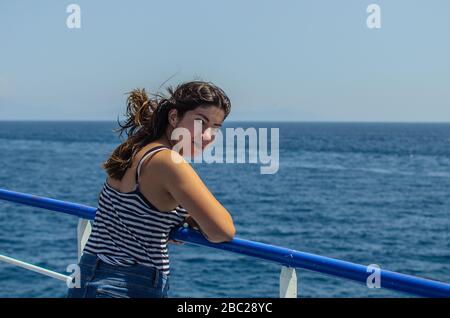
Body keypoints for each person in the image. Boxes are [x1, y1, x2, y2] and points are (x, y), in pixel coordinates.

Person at [67, 80, 235, 298]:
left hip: (88, 274)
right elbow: (223, 231)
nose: (207, 135)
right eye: (200, 122)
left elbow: (133, 210)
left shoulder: (135, 149)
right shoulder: (168, 161)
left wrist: (176, 219)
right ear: (174, 117)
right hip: (126, 285)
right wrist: (190, 218)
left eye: (215, 127)